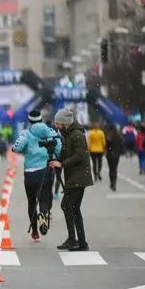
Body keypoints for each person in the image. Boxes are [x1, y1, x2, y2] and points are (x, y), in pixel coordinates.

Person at [12, 110, 62, 241]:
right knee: (44, 199)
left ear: (30, 121)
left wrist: (18, 148)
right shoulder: (50, 132)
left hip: (29, 172)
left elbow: (17, 147)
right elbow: (59, 148)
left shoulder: (26, 133)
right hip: (45, 169)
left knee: (31, 202)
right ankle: (43, 215)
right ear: (41, 120)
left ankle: (34, 231)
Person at [49, 107, 93, 251]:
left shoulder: (76, 135)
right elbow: (66, 154)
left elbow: (80, 156)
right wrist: (55, 160)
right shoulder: (68, 134)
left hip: (78, 177)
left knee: (67, 206)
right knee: (73, 208)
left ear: (65, 122)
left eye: (58, 123)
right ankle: (81, 242)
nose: (57, 126)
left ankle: (73, 239)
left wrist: (61, 164)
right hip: (75, 176)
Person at [104, 123, 124, 191]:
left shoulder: (108, 136)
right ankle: (114, 183)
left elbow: (106, 145)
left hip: (109, 154)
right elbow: (121, 145)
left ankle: (111, 183)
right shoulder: (118, 136)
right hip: (116, 155)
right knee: (114, 169)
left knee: (110, 169)